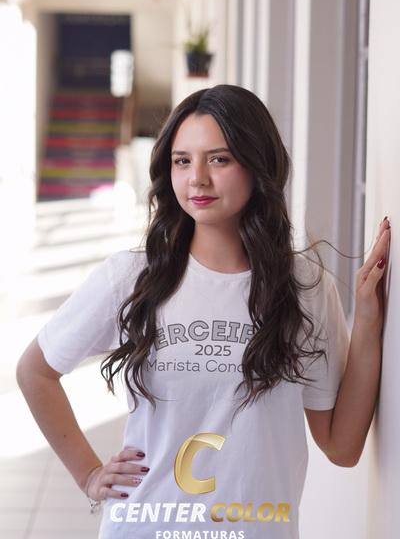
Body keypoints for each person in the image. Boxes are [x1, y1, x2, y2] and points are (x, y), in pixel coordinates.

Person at [16, 84, 390, 539]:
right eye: (182, 161)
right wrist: (89, 475)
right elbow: (35, 371)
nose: (197, 178)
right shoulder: (131, 277)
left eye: (219, 159)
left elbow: (342, 447)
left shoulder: (304, 287)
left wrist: (368, 321)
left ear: (257, 164)